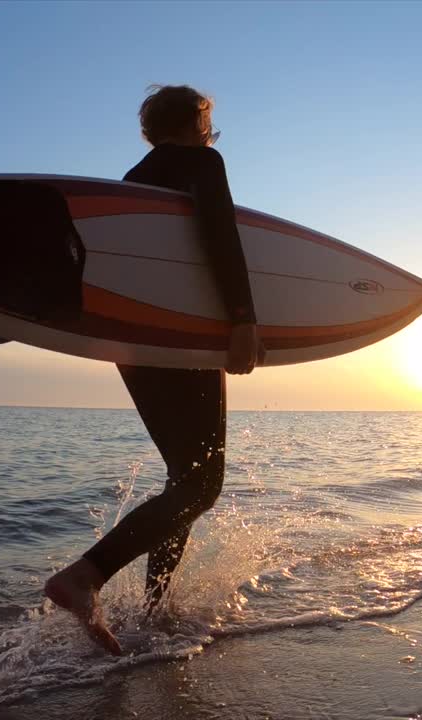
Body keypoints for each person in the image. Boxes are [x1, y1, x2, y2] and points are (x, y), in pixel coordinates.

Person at [44, 85, 262, 655]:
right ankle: (85, 576)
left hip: (132, 341)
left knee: (183, 478)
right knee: (203, 484)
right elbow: (220, 234)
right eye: (208, 121)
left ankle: (153, 612)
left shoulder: (131, 180)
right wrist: (242, 320)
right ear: (198, 121)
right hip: (181, 336)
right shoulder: (200, 162)